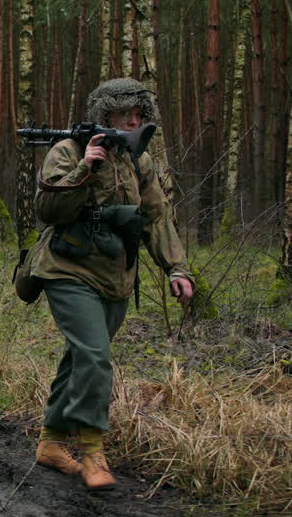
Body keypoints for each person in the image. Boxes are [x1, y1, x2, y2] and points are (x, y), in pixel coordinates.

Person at [27, 78, 194, 490]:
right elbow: (48, 209)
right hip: (66, 267)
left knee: (83, 357)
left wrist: (177, 268)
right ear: (105, 115)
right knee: (95, 355)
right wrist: (88, 165)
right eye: (125, 114)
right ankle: (91, 449)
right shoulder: (67, 151)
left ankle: (50, 440)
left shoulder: (140, 161)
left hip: (116, 272)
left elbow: (156, 216)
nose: (133, 121)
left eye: (139, 115)